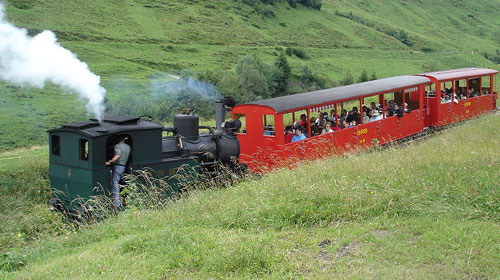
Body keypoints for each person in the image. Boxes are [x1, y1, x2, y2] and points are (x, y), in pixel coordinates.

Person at [105, 136, 131, 208]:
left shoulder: (117, 146)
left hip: (117, 166)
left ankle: (116, 203)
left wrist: (110, 161)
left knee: (114, 184)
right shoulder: (128, 147)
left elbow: (118, 155)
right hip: (124, 166)